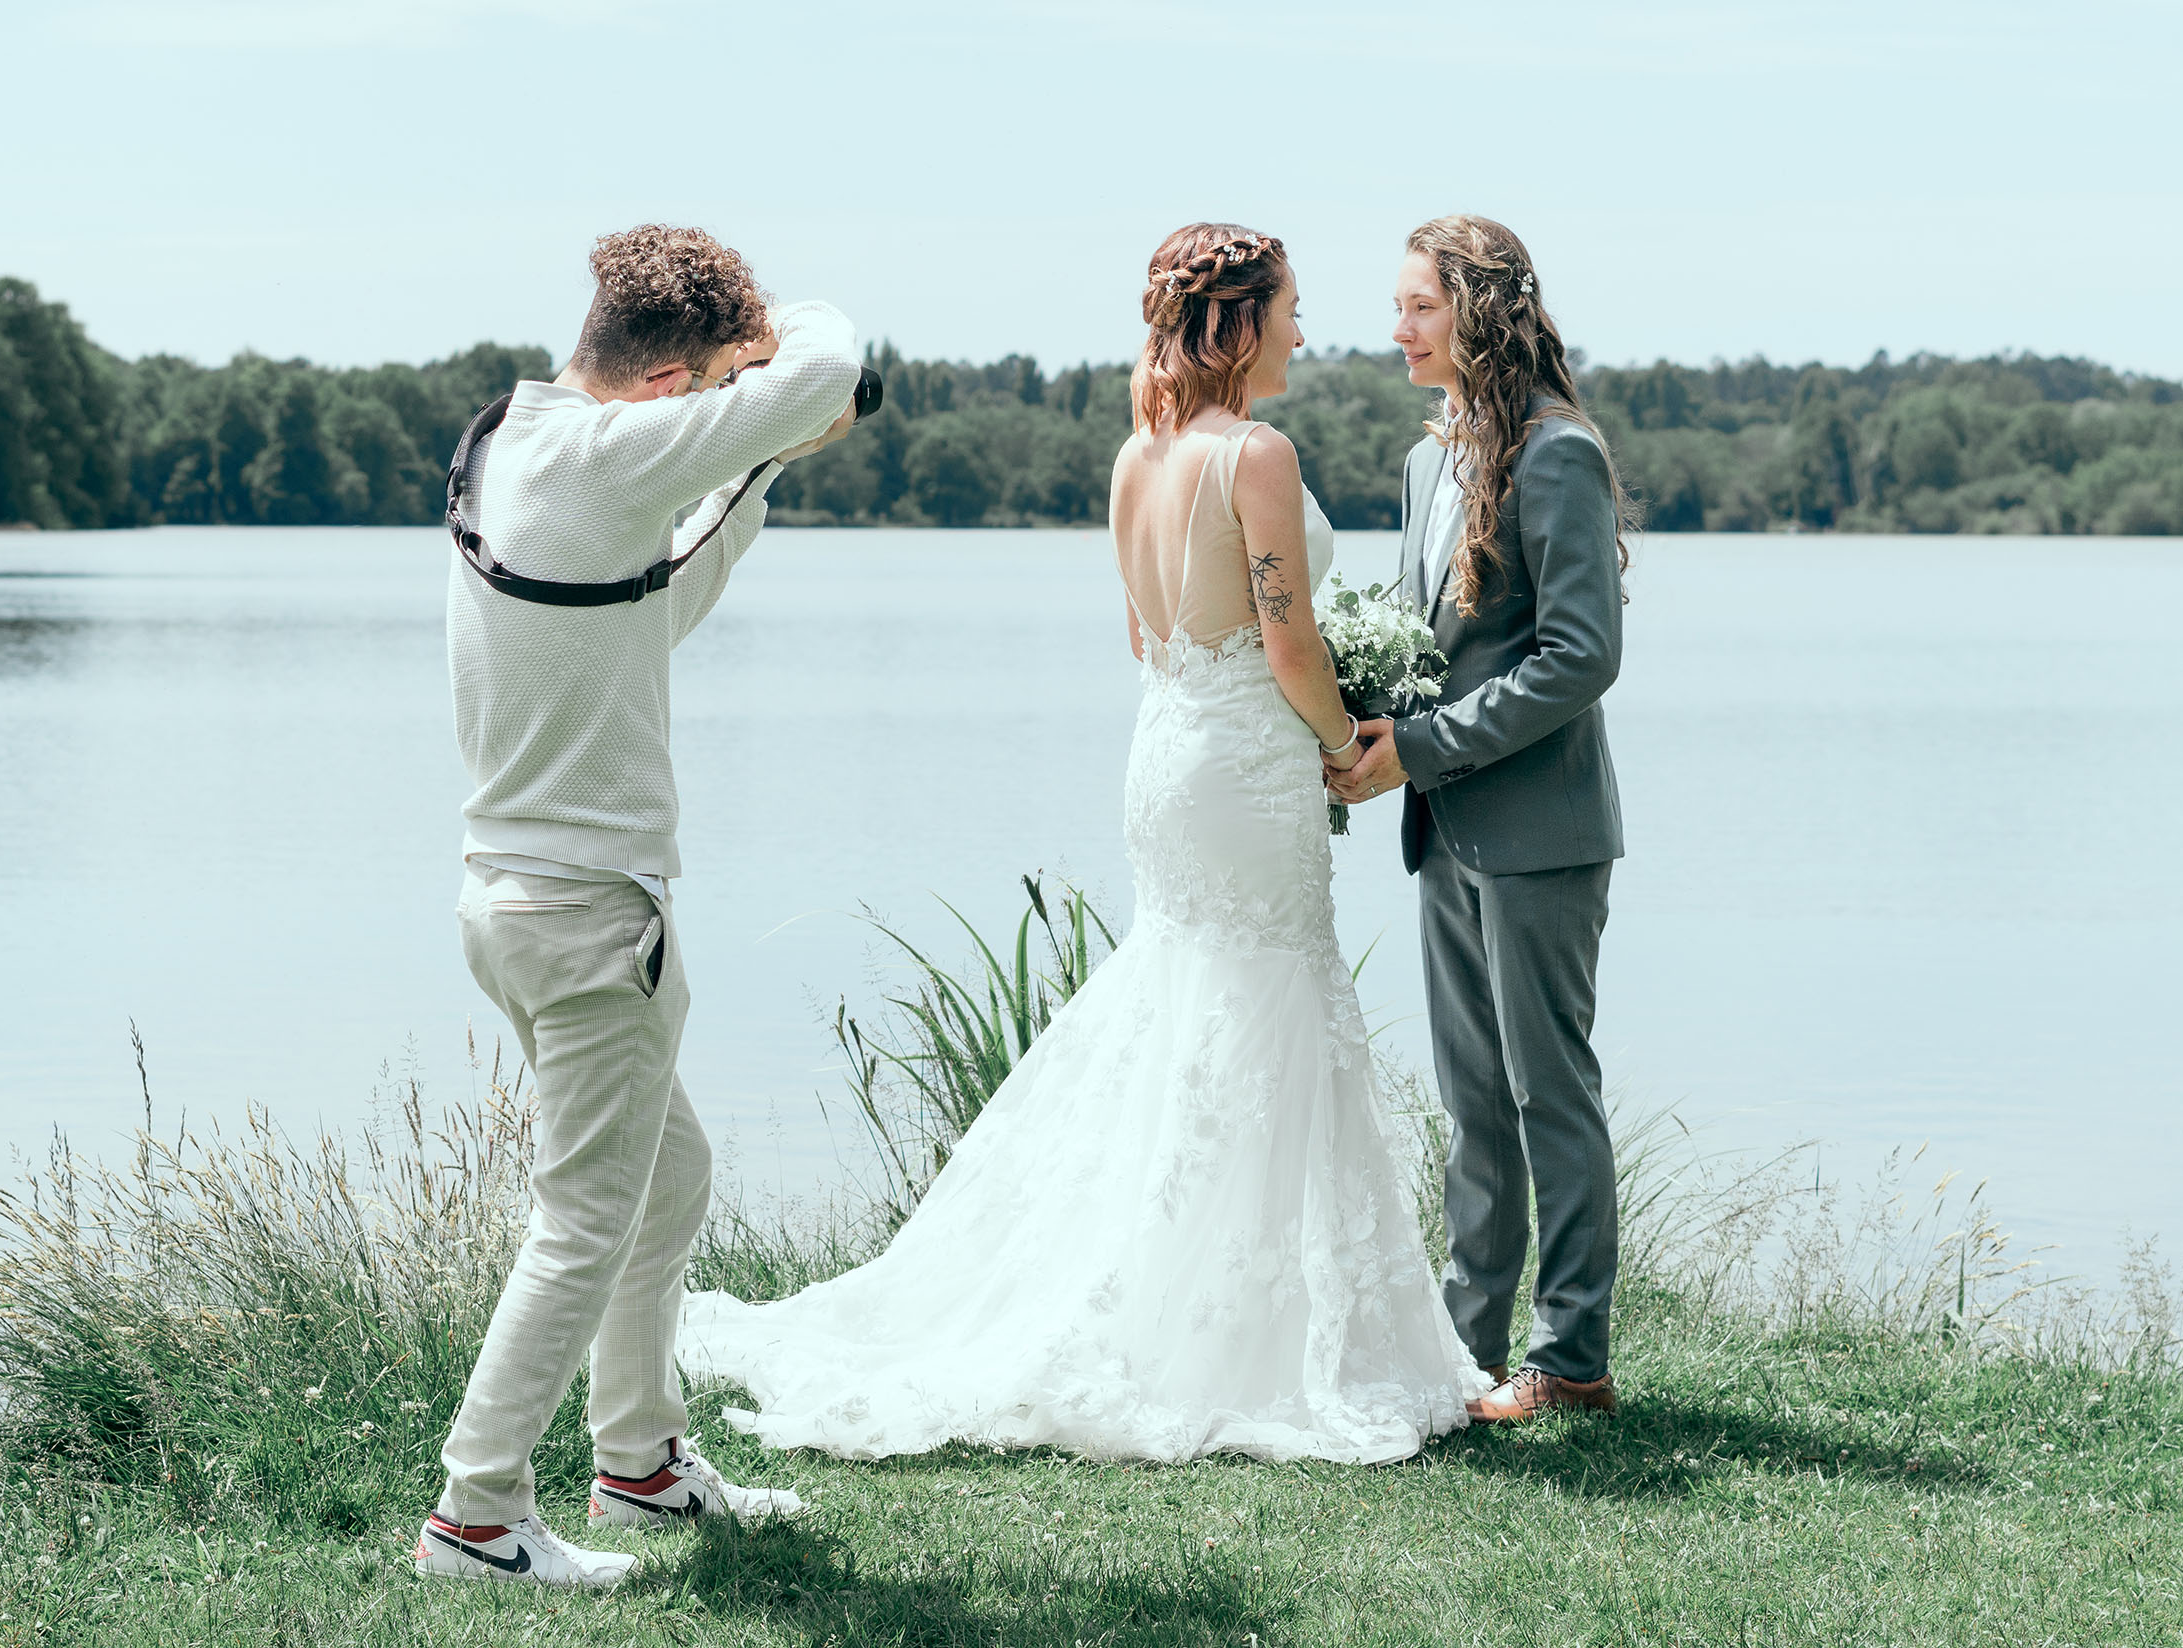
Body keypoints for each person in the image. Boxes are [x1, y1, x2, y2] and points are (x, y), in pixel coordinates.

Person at [677, 224, 1489, 1466]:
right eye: (1289, 309)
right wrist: (1346, 744)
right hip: (1242, 766)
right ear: (1237, 322)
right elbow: (1287, 642)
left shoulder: (1134, 457)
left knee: (1188, 999)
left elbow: (1142, 636)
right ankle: (1247, 1335)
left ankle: (1185, 1294)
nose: (1305, 332)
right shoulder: (1254, 454)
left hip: (1166, 753)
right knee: (1262, 998)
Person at [417, 225, 861, 1590]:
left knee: (668, 1179)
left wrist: (754, 458)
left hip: (518, 903)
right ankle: (478, 1515)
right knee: (583, 1219)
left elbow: (650, 602)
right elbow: (839, 354)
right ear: (672, 384)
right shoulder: (607, 456)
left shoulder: (514, 441)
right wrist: (775, 356)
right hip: (590, 919)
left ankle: (642, 1465)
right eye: (709, 390)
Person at [1332, 214, 1634, 1424]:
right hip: (1443, 831)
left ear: (1478, 311)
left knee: (1546, 1092)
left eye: (1417, 307)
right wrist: (1359, 722)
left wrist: (1422, 746)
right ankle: (1466, 1351)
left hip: (1540, 832)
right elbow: (1431, 646)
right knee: (1470, 1102)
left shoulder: (1559, 453)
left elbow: (1579, 655)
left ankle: (1571, 1361)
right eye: (1398, 307)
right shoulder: (1427, 460)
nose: (1395, 328)